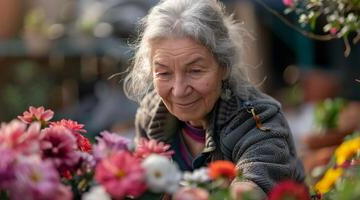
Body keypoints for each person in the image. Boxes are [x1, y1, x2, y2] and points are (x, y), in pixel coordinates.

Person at [123, 0, 305, 198]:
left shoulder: (259, 120)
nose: (179, 91)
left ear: (224, 66)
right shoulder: (151, 116)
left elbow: (251, 187)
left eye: (195, 71)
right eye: (164, 73)